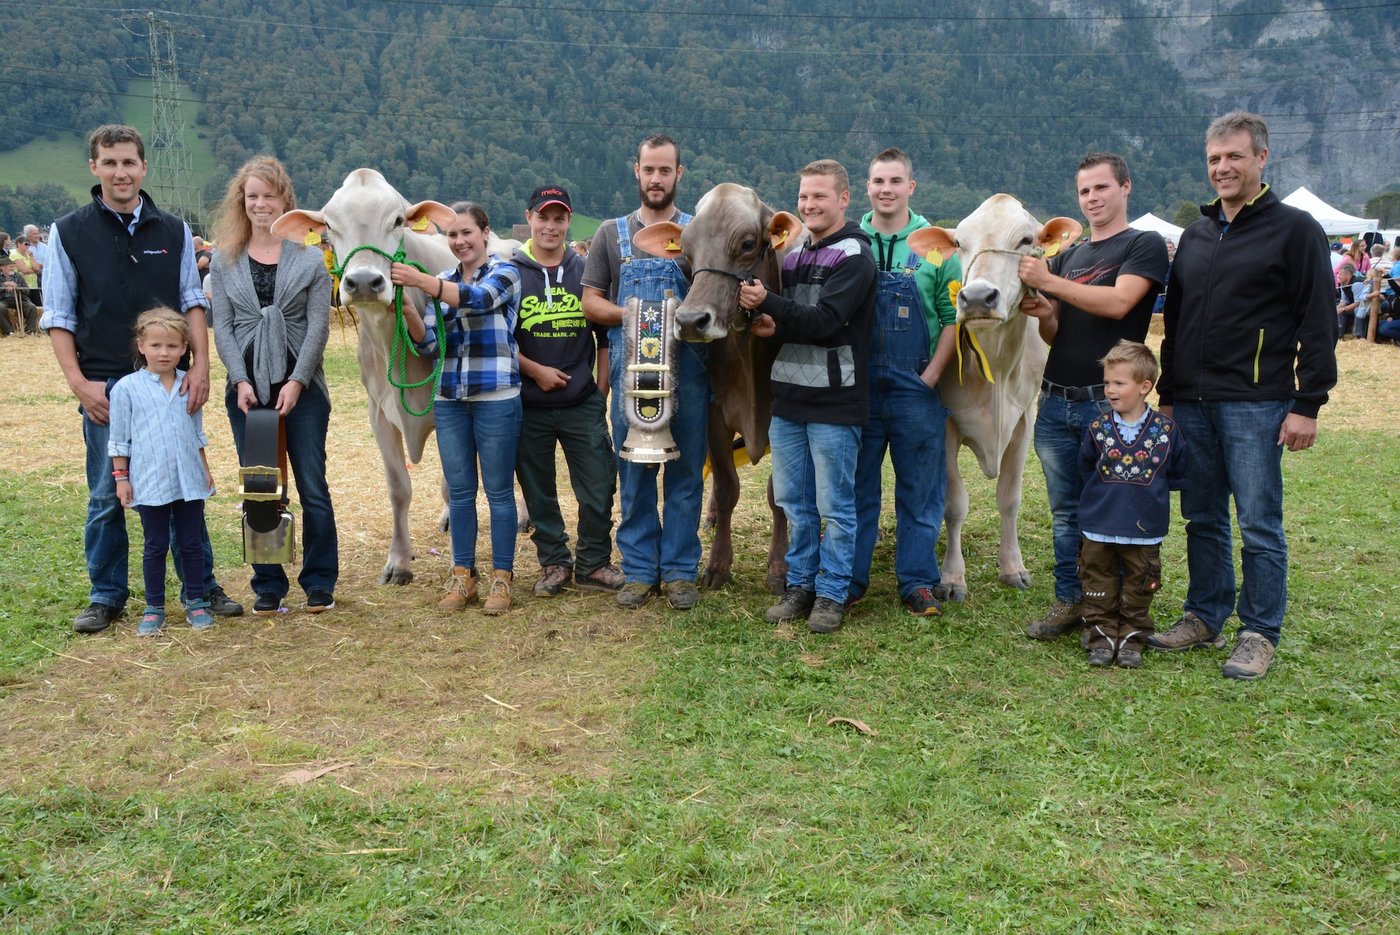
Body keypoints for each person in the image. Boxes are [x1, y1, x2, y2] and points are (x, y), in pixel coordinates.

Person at [1152, 111, 1337, 681]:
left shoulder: (1295, 229)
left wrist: (1308, 403)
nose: (1223, 168)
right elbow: (1177, 322)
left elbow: (1318, 319)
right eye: (1214, 158)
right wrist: (1169, 393)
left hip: (1257, 401)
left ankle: (1259, 632)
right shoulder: (1199, 234)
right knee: (1201, 515)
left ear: (1262, 157)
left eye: (1234, 156)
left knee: (1258, 521)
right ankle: (1205, 616)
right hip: (1194, 403)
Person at [40, 124, 242, 634]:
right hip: (107, 384)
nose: (120, 172)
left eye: (129, 162)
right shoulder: (68, 231)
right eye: (109, 163)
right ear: (94, 168)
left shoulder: (172, 229)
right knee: (109, 491)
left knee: (184, 486)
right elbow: (59, 315)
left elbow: (193, 301)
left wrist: (200, 366)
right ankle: (106, 594)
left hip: (173, 381)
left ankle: (202, 587)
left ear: (143, 167)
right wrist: (78, 384)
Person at [1018, 152, 1169, 642]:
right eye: (1084, 191)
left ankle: (1115, 612)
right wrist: (1043, 310)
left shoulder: (1141, 244)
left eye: (1101, 188)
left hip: (1112, 406)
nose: (1092, 198)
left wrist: (1049, 282)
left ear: (1125, 187)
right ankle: (1073, 601)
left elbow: (1121, 301)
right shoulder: (1070, 255)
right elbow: (1057, 334)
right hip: (1057, 398)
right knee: (1065, 511)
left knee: (1113, 510)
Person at [739, 159, 877, 634]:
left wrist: (768, 304)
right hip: (790, 400)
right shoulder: (794, 258)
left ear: (843, 199)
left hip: (836, 404)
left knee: (835, 506)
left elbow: (825, 321)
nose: (809, 205)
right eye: (803, 197)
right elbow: (792, 325)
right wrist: (768, 326)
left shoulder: (855, 256)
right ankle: (800, 584)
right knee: (795, 503)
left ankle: (832, 593)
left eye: (819, 196)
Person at [581, 133, 707, 612]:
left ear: (679, 174)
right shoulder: (610, 234)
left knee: (686, 473)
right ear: (636, 171)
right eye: (649, 169)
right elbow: (591, 300)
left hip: (689, 372)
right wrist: (635, 317)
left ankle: (678, 572)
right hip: (632, 375)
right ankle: (637, 571)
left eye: (665, 170)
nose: (656, 179)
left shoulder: (697, 231)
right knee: (633, 470)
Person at [208, 156, 339, 615]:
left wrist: (299, 381)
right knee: (261, 487)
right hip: (246, 389)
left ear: (286, 200)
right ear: (241, 203)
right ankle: (269, 582)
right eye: (252, 196)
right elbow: (222, 326)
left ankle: (320, 580)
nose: (261, 204)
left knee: (312, 484)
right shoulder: (224, 260)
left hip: (300, 388)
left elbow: (318, 325)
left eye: (269, 195)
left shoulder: (311, 259)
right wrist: (240, 379)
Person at [390, 202, 522, 615]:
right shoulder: (442, 281)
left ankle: (502, 577)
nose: (460, 241)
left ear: (486, 233)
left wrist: (423, 283)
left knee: (500, 492)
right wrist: (409, 310)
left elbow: (478, 300)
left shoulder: (506, 272)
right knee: (460, 493)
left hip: (496, 398)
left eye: (467, 233)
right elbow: (430, 345)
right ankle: (462, 575)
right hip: (449, 401)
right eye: (452, 235)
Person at [848, 147, 960, 617]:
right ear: (867, 187)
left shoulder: (938, 244)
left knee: (920, 489)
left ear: (910, 187)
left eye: (895, 181)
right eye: (878, 181)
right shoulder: (851, 241)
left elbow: (955, 318)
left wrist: (930, 375)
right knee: (857, 490)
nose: (886, 190)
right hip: (860, 389)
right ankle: (850, 580)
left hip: (916, 386)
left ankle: (917, 582)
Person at [512, 185, 624, 597]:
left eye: (559, 219)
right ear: (529, 218)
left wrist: (600, 389)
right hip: (529, 405)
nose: (551, 226)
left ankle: (593, 562)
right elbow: (502, 340)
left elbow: (606, 338)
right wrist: (536, 371)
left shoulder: (585, 270)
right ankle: (554, 563)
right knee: (538, 491)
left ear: (569, 222)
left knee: (598, 485)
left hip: (581, 403)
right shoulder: (511, 272)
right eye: (544, 217)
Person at [1076, 340, 1188, 668]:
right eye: (1107, 382)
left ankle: (1131, 639)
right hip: (1098, 525)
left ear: (1144, 387)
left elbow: (1178, 471)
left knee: (1140, 586)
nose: (1110, 389)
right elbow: (1085, 468)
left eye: (1119, 383)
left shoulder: (1166, 432)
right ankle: (1101, 637)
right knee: (1097, 582)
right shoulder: (1097, 429)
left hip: (1145, 528)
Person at [108, 309, 218, 636]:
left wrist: (205, 470)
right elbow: (119, 440)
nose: (164, 353)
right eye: (156, 345)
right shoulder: (127, 389)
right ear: (141, 346)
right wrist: (121, 479)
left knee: (191, 543)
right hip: (150, 480)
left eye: (172, 346)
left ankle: (196, 600)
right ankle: (154, 606)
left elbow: (196, 434)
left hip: (188, 478)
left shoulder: (190, 384)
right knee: (155, 545)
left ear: (185, 348)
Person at [1, 255, 40, 335]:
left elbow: (27, 290)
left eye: (13, 267)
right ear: (2, 267)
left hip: (19, 299)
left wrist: (17, 287)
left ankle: (30, 331)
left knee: (31, 307)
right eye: (10, 267)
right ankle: (9, 332)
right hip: (3, 299)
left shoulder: (18, 276)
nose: (12, 269)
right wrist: (4, 285)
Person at [9, 235, 43, 309]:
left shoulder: (29, 254)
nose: (28, 246)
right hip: (23, 285)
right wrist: (34, 271)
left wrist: (31, 257)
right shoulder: (14, 255)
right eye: (26, 244)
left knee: (38, 307)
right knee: (26, 307)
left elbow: (37, 267)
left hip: (34, 285)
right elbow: (24, 270)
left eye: (29, 244)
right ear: (19, 244)